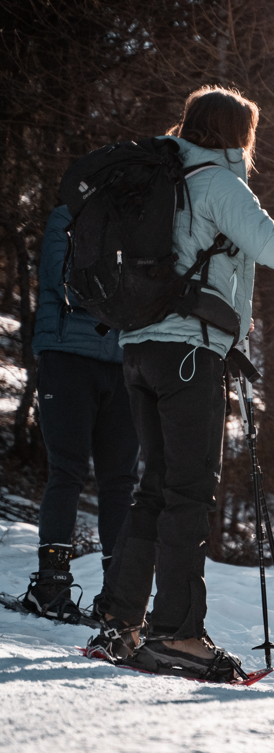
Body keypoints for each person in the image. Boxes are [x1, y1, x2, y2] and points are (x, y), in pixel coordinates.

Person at [89, 86, 274, 681]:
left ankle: (119, 624)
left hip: (139, 347)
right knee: (189, 491)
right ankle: (178, 634)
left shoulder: (159, 179)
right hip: (189, 352)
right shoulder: (219, 184)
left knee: (154, 488)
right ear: (239, 135)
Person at [20, 206, 140, 620]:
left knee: (67, 472)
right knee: (119, 484)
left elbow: (54, 276)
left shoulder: (68, 215)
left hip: (67, 357)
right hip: (125, 363)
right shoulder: (147, 220)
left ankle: (51, 587)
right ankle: (117, 599)